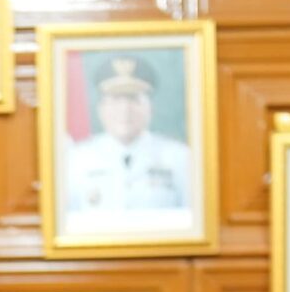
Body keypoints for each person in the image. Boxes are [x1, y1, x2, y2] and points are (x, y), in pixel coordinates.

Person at [59, 54, 194, 230]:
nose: (125, 110)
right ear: (101, 109)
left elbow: (194, 222)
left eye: (134, 99)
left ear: (150, 108)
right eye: (115, 100)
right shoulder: (75, 159)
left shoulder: (180, 157)